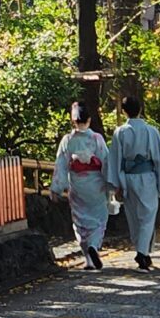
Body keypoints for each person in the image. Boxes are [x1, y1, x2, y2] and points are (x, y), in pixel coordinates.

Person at [111, 87, 160, 270]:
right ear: (140, 109)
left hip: (127, 178)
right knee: (147, 217)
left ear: (124, 111)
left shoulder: (120, 132)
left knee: (133, 217)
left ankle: (144, 252)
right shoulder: (151, 131)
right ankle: (142, 252)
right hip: (147, 178)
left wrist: (116, 184)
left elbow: (115, 159)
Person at [50, 102, 113, 268]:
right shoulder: (97, 139)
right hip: (96, 185)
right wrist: (112, 184)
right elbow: (106, 163)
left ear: (73, 121)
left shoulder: (68, 140)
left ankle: (88, 258)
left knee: (80, 221)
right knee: (99, 219)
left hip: (77, 185)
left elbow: (61, 164)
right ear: (89, 120)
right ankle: (93, 246)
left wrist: (56, 188)